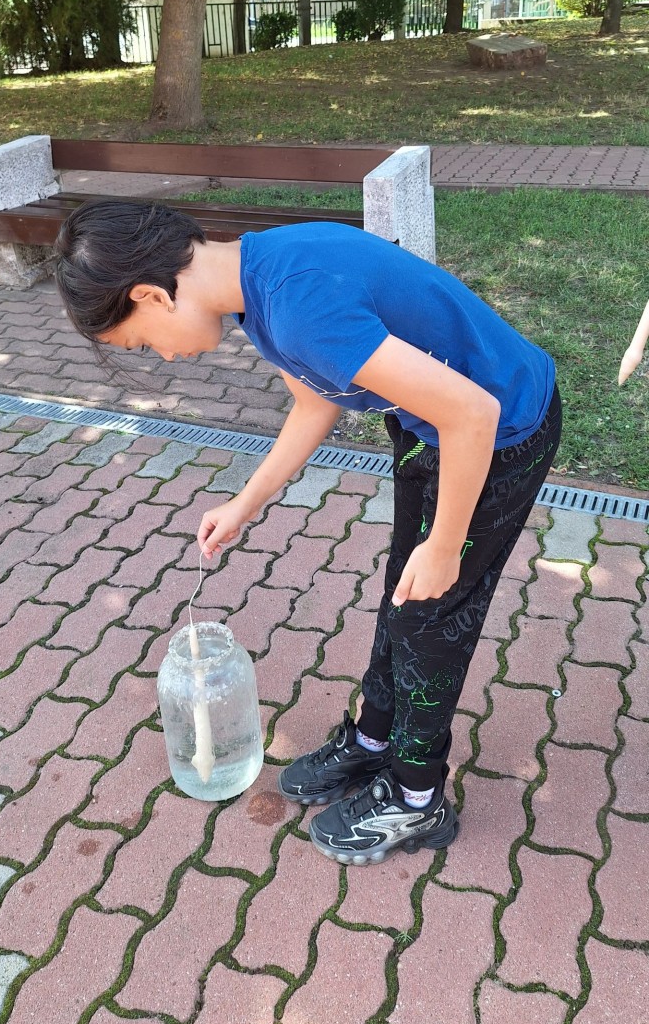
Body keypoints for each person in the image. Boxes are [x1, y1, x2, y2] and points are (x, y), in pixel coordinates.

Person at [55, 200, 561, 865]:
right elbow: (315, 400)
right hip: (432, 432)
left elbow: (474, 413)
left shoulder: (298, 304)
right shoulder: (257, 288)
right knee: (403, 599)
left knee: (431, 616)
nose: (165, 355)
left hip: (497, 437)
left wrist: (444, 547)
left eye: (144, 342)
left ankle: (417, 800)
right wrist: (245, 503)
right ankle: (374, 742)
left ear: (150, 294)